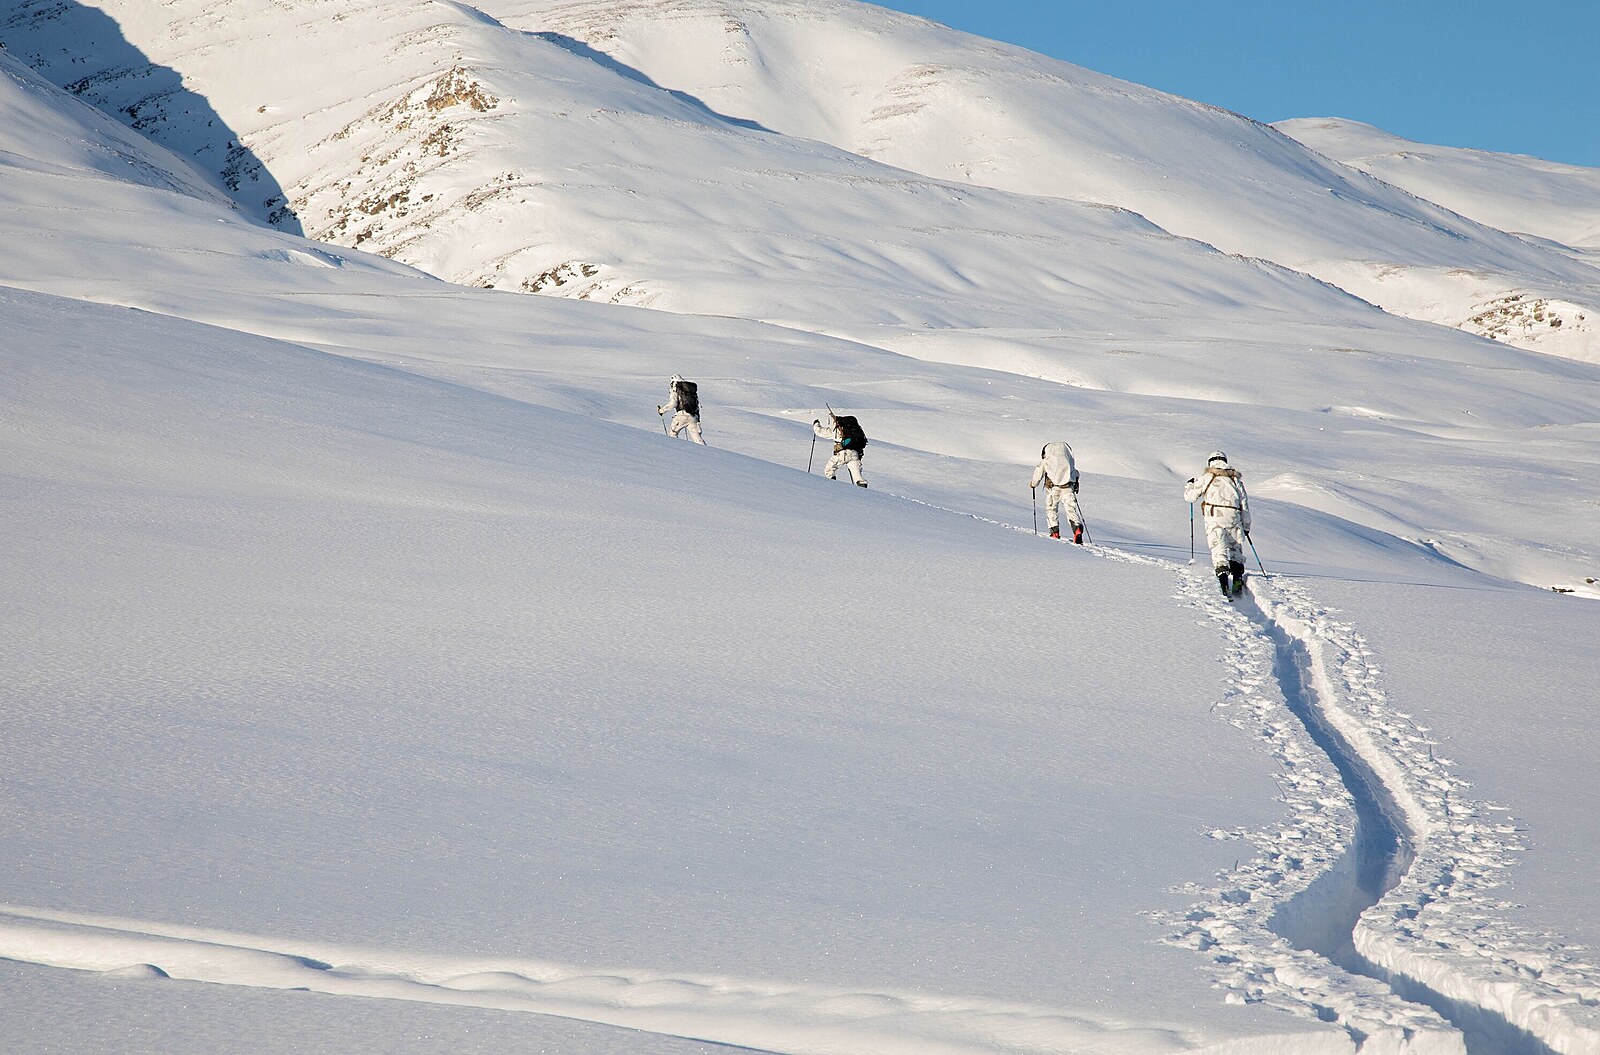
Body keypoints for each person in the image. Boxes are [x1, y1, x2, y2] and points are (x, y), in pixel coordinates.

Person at [1185, 451, 1252, 597]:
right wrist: (1246, 526)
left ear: (1210, 462)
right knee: (1235, 549)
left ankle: (1223, 583)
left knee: (1218, 549)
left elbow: (1190, 497)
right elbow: (1244, 505)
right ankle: (1237, 580)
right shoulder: (1235, 479)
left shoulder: (1207, 477)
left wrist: (1190, 485)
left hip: (1214, 518)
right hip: (1233, 517)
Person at [1030, 442, 1083, 543]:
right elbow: (1075, 473)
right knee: (1071, 510)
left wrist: (1033, 484)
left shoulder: (1047, 460)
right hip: (1068, 487)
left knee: (1051, 509)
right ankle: (1077, 529)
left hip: (1053, 488)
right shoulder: (1068, 460)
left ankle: (1054, 532)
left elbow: (1038, 472)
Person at [813, 411, 868, 487]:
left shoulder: (836, 431)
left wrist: (816, 424)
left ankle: (832, 487)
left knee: (829, 470)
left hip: (842, 453)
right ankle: (862, 488)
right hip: (854, 453)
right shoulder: (853, 431)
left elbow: (820, 432)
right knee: (856, 474)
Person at [657, 375, 706, 445]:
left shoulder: (676, 389)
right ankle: (706, 450)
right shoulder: (690, 391)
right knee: (698, 439)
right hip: (693, 416)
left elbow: (673, 403)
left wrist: (661, 411)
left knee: (673, 434)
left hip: (681, 415)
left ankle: (675, 449)